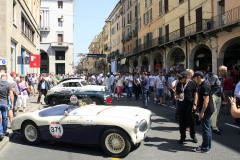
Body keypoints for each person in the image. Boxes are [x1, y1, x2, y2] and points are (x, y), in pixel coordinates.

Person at [192, 71, 214, 153]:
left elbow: (206, 100)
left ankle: (205, 148)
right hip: (207, 110)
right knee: (207, 128)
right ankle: (208, 145)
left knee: (205, 129)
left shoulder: (204, 86)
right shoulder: (201, 85)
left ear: (199, 77)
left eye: (194, 77)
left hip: (207, 110)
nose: (194, 79)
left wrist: (202, 111)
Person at [175, 71, 198, 144]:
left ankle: (193, 135)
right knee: (182, 122)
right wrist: (176, 97)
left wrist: (195, 104)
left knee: (191, 121)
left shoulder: (192, 83)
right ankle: (182, 136)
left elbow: (195, 94)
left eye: (182, 78)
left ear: (186, 77)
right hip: (181, 105)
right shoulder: (179, 84)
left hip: (190, 105)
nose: (181, 80)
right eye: (180, 78)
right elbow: (176, 94)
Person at [0, 73, 14, 140]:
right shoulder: (9, 84)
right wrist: (12, 104)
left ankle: (0, 131)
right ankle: (4, 131)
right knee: (5, 118)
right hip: (5, 103)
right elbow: (11, 95)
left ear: (1, 77)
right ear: (6, 78)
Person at [209, 69, 222, 135]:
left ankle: (212, 124)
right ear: (221, 71)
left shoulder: (220, 78)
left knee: (217, 112)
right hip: (214, 95)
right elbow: (210, 85)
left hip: (218, 96)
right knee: (214, 112)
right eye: (225, 71)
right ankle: (214, 127)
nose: (226, 72)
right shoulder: (215, 77)